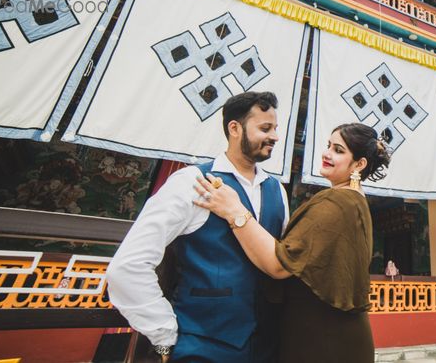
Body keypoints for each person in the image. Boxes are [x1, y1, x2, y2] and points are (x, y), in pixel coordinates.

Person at [106, 91, 290, 363]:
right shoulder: (191, 182)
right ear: (235, 128)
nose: (275, 136)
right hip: (202, 345)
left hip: (266, 347)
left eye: (275, 128)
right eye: (265, 128)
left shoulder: (277, 191)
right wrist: (164, 337)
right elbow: (128, 266)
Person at [193, 122, 390, 363]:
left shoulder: (337, 203)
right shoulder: (354, 201)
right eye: (328, 146)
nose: (327, 153)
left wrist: (234, 210)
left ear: (359, 164)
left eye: (339, 150)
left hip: (323, 339)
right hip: (335, 334)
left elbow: (279, 264)